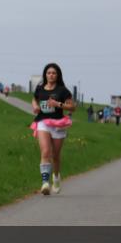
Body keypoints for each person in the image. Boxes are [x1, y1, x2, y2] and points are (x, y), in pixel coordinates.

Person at [30, 63, 75, 195]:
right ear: (45, 74)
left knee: (55, 155)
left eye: (53, 73)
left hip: (58, 124)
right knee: (45, 152)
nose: (51, 75)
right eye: (49, 73)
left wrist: (58, 104)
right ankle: (45, 183)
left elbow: (72, 107)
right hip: (43, 122)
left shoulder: (63, 91)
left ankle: (56, 177)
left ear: (58, 75)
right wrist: (35, 107)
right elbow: (34, 99)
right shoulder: (40, 88)